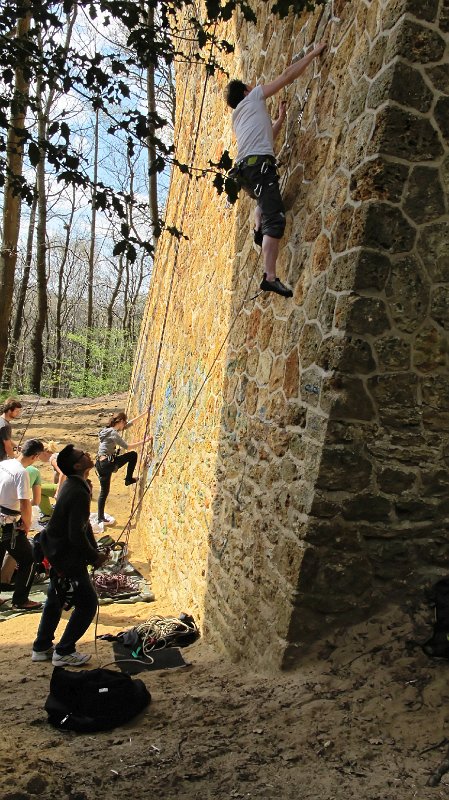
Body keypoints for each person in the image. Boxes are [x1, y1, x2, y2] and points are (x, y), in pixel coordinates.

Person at [226, 43, 326, 298]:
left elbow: (266, 136)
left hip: (244, 173)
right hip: (259, 168)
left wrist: (280, 119)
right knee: (276, 219)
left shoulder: (238, 117)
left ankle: (258, 228)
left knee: (263, 198)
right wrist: (313, 54)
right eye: (251, 85)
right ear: (248, 90)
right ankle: (269, 276)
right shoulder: (255, 96)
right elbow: (286, 77)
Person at [32, 444, 108, 666]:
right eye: (82, 455)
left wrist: (94, 551)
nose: (87, 454)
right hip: (64, 556)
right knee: (87, 603)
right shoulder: (77, 491)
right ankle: (64, 651)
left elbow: (83, 527)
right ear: (78, 465)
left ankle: (42, 647)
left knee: (55, 598)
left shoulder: (75, 485)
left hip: (55, 550)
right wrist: (93, 557)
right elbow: (75, 533)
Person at [0, 438, 44, 610]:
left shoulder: (4, 463)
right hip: (9, 523)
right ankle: (20, 600)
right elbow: (25, 502)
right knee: (29, 560)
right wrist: (26, 524)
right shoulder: (22, 473)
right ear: (35, 456)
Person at [96, 410, 151, 525]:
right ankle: (128, 479)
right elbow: (127, 447)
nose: (125, 425)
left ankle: (100, 517)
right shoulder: (113, 434)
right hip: (108, 463)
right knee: (132, 455)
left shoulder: (106, 430)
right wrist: (145, 441)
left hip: (100, 464)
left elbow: (129, 424)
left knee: (104, 492)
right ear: (120, 421)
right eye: (124, 422)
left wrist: (145, 413)